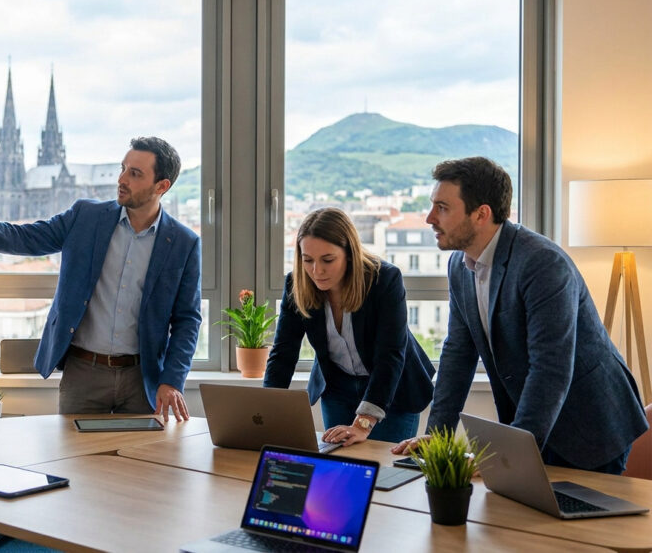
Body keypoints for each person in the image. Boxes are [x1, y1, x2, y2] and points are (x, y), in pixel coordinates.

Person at [0, 136, 200, 422]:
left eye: (135, 174)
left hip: (142, 378)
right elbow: (22, 238)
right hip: (84, 373)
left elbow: (187, 320)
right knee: (75, 467)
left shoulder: (184, 243)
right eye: (123, 169)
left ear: (162, 185)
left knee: (137, 470)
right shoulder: (86, 217)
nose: (121, 179)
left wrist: (172, 380)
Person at [392, 156, 648, 473]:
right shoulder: (459, 266)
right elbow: (458, 353)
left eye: (442, 208)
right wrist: (437, 435)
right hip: (535, 418)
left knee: (579, 522)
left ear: (481, 214)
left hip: (589, 423)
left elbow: (550, 368)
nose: (430, 218)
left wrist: (511, 455)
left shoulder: (542, 263)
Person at [263, 208, 435, 446]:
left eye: (328, 260)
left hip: (392, 391)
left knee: (387, 471)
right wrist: (266, 411)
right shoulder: (296, 282)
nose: (316, 271)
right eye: (308, 260)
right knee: (339, 467)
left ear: (350, 254)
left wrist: (363, 422)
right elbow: (283, 352)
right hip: (337, 388)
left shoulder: (384, 279)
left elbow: (390, 355)